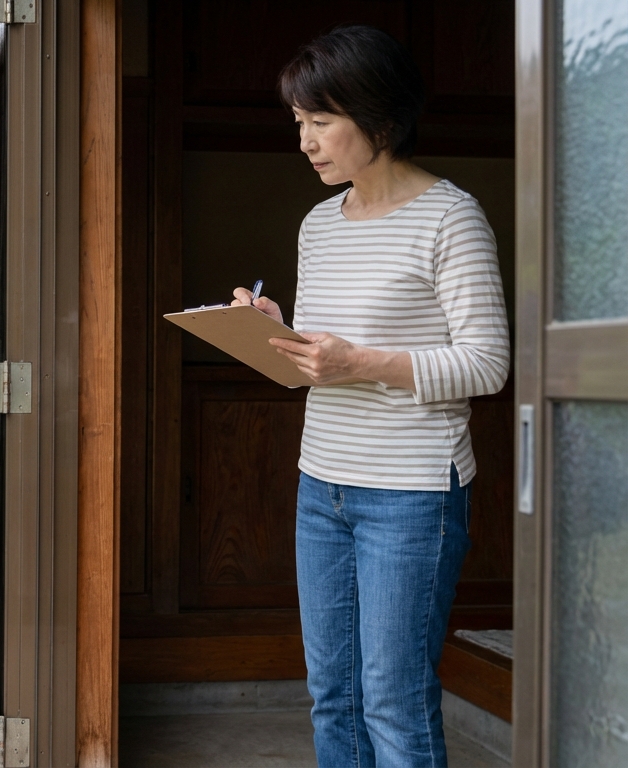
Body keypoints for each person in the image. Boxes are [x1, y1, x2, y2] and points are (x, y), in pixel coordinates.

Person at [231, 25, 510, 768]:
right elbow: (325, 358)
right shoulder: (318, 224)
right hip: (322, 484)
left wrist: (361, 362)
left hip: (413, 493)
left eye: (322, 122)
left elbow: (488, 363)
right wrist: (274, 335)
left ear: (380, 120)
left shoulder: (452, 217)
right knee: (334, 692)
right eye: (300, 123)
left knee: (392, 698)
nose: (306, 142)